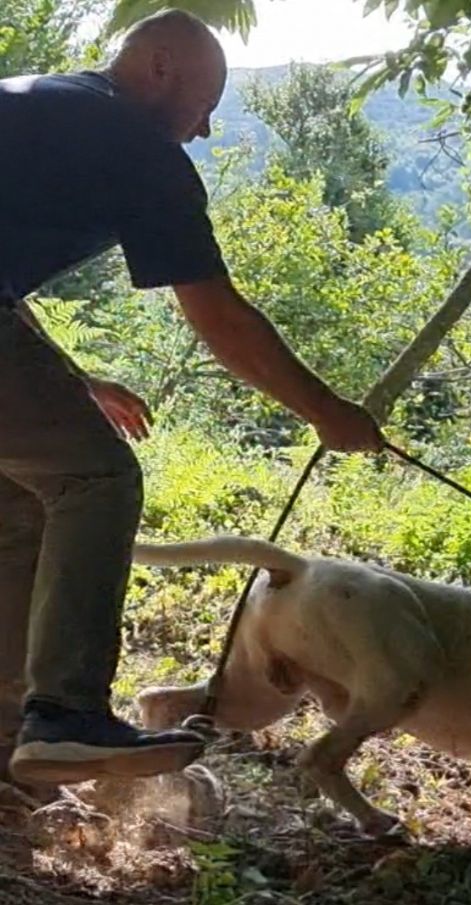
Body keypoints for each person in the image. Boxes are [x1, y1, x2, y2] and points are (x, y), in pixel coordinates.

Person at [0, 9, 383, 788]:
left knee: (26, 501)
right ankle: (65, 716)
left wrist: (72, 381)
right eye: (205, 104)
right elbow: (219, 314)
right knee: (96, 478)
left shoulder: (46, 108)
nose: (205, 130)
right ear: (161, 67)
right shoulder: (133, 141)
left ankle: (11, 730)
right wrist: (328, 414)